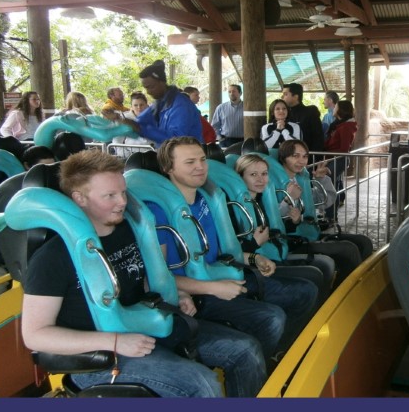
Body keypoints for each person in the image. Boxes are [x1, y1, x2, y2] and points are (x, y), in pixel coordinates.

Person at [20, 149, 265, 398]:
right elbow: (35, 335)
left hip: (148, 326)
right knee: (202, 384)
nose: (122, 202)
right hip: (102, 354)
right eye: (110, 195)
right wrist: (114, 342)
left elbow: (142, 278)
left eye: (123, 192)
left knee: (246, 350)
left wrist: (178, 294)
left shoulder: (128, 231)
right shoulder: (52, 257)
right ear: (80, 198)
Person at [149, 136, 318, 362]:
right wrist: (213, 288)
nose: (200, 167)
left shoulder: (207, 200)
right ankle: (271, 368)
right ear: (168, 168)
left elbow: (221, 252)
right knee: (272, 318)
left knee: (306, 290)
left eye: (202, 160)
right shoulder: (157, 213)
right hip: (195, 295)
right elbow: (157, 279)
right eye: (190, 162)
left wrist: (253, 258)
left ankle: (279, 358)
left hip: (222, 276)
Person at [235, 153, 336, 301]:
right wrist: (254, 243)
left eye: (264, 174)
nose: (260, 179)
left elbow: (276, 230)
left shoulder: (263, 199)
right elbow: (231, 250)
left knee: (324, 266)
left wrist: (294, 222)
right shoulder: (236, 208)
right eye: (253, 174)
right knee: (314, 276)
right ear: (240, 177)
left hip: (276, 254)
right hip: (255, 267)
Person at [277, 140, 372, 283]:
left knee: (364, 242)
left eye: (304, 156)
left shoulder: (300, 178)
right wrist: (288, 199)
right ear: (284, 157)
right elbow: (274, 216)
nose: (301, 161)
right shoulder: (276, 184)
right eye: (295, 156)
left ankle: (361, 285)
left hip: (310, 232)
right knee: (348, 249)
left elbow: (325, 201)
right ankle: (346, 291)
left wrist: (322, 179)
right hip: (295, 240)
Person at [117, 60, 203, 147]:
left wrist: (140, 129)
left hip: (187, 153)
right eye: (146, 88)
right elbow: (141, 121)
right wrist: (120, 119)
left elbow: (176, 140)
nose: (148, 92)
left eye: (151, 87)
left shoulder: (181, 106)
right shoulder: (159, 103)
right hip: (168, 153)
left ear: (161, 82)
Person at [323, 100, 358, 220]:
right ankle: (331, 215)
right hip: (334, 159)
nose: (334, 109)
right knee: (334, 186)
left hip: (338, 159)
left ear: (341, 110)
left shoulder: (346, 127)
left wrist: (326, 152)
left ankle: (330, 216)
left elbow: (344, 149)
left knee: (329, 186)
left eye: (336, 107)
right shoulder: (340, 124)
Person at [281, 83, 325, 156]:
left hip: (307, 155)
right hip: (287, 155)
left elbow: (318, 138)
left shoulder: (310, 112)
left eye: (285, 94)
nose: (282, 97)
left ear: (295, 97)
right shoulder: (283, 114)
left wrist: (312, 157)